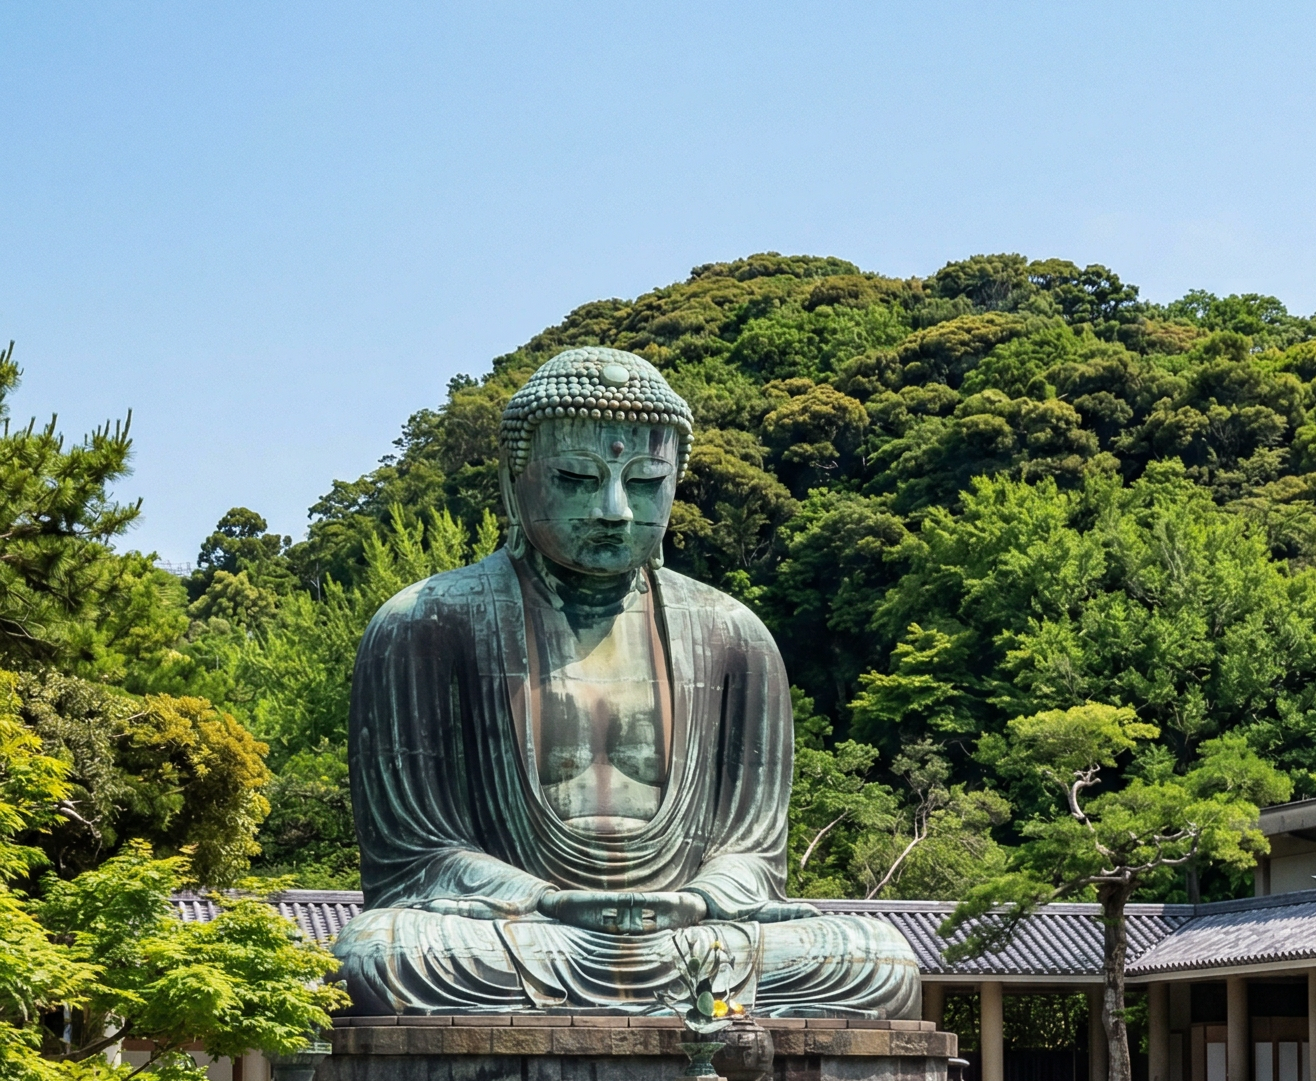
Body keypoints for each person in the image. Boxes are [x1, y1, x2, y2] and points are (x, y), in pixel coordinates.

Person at [331, 345, 921, 1018]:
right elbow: (416, 857)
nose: (613, 510)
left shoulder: (734, 635)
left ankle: (666, 986)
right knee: (379, 953)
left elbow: (752, 853)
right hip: (524, 931)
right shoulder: (426, 622)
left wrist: (697, 899)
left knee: (878, 959)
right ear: (515, 479)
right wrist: (545, 899)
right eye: (577, 478)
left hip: (691, 932)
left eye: (643, 483)